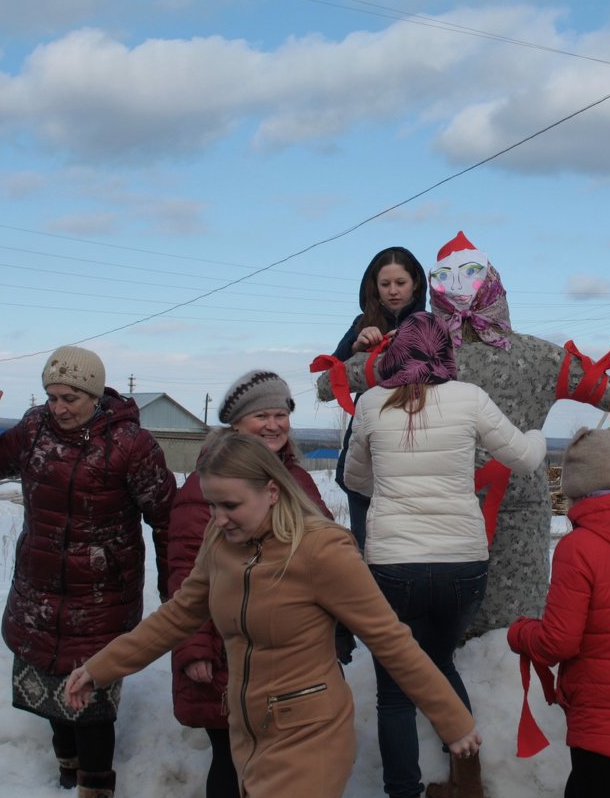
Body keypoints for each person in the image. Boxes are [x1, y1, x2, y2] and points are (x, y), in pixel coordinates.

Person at [65, 431, 482, 798]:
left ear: (271, 491)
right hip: (249, 734)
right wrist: (100, 668)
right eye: (211, 504)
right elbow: (178, 615)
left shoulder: (320, 550)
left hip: (309, 736)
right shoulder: (221, 540)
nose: (218, 518)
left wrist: (453, 720)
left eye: (230, 504)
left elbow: (389, 640)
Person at [318, 231, 610, 635]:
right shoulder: (543, 357)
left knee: (430, 643)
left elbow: (331, 384)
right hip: (509, 517)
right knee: (510, 637)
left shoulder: (413, 353)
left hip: (433, 523)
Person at [343, 311, 547, 798]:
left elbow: (354, 480)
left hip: (393, 565)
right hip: (463, 565)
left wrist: (388, 488)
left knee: (394, 690)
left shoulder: (371, 404)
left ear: (396, 352)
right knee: (439, 663)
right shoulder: (469, 398)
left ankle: (403, 792)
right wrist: (538, 434)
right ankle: (467, 781)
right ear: (446, 351)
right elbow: (524, 456)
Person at [0, 345, 175, 798]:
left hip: (100, 595)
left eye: (69, 398)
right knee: (50, 686)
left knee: (91, 702)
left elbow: (168, 517)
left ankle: (95, 787)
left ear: (93, 394)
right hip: (38, 588)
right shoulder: (36, 428)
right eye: (51, 396)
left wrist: (174, 589)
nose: (58, 408)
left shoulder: (130, 443)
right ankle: (65, 772)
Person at [166, 370, 333, 798]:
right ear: (236, 424)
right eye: (261, 415)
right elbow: (187, 577)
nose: (274, 424)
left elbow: (328, 556)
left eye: (281, 414)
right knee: (235, 759)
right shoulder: (207, 486)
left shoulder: (297, 479)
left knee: (283, 761)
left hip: (291, 651)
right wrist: (194, 647)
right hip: (230, 652)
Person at [507, 427, 610, 798]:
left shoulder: (579, 547)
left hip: (605, 711)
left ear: (576, 488)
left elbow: (559, 641)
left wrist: (519, 634)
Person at [331, 246, 428, 664]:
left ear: (416, 285)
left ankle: (409, 635)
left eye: (400, 283)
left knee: (410, 556)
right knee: (366, 554)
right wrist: (357, 345)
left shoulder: (431, 325)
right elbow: (330, 375)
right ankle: (357, 630)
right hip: (366, 457)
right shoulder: (361, 323)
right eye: (384, 283)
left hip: (415, 456)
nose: (392, 292)